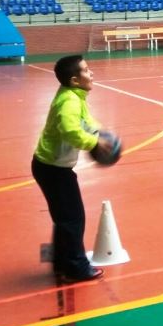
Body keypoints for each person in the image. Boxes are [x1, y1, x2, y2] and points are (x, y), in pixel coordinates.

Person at [32, 55, 112, 283]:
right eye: (87, 70)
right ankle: (76, 268)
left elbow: (86, 120)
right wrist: (95, 143)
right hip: (53, 169)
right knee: (73, 219)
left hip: (51, 167)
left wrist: (99, 132)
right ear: (75, 80)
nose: (92, 73)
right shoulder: (70, 101)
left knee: (65, 217)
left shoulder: (74, 96)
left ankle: (60, 261)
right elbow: (70, 130)